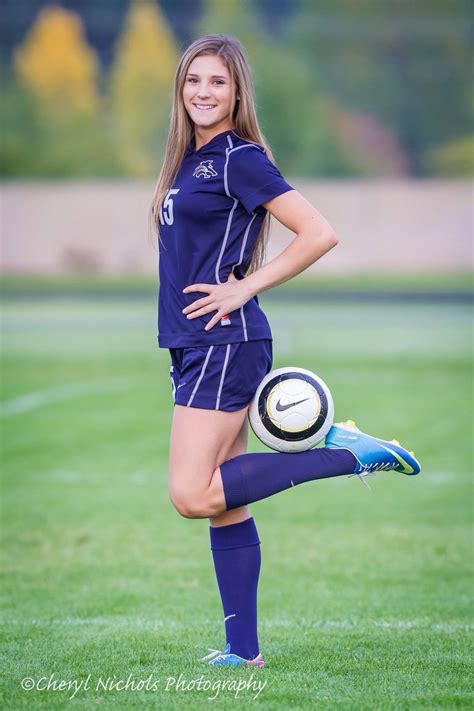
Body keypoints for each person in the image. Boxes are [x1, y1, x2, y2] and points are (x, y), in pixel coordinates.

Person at [151, 34, 420, 668]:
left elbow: (318, 232)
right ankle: (243, 652)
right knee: (227, 503)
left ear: (238, 91)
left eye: (217, 82)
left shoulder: (238, 158)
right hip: (196, 343)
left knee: (191, 494)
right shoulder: (189, 160)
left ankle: (343, 455)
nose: (203, 92)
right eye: (193, 81)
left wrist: (243, 286)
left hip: (225, 339)